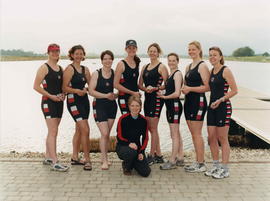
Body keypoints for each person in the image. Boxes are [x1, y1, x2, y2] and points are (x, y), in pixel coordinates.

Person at [33, 43, 69, 172]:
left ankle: (48, 156)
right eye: (52, 51)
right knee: (53, 131)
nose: (55, 53)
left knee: (53, 131)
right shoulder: (44, 67)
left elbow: (62, 86)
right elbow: (36, 86)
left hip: (59, 102)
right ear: (48, 53)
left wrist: (63, 94)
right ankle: (55, 162)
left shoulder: (60, 68)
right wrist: (51, 96)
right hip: (48, 102)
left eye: (57, 51)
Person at [205, 46, 238, 179]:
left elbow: (234, 90)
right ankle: (216, 166)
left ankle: (225, 169)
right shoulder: (211, 71)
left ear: (220, 57)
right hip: (211, 108)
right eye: (210, 55)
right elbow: (207, 87)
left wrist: (221, 100)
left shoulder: (226, 70)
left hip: (223, 108)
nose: (212, 57)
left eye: (215, 55)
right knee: (211, 137)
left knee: (222, 138)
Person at [62, 45, 92, 171]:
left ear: (83, 55)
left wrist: (86, 89)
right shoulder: (69, 69)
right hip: (73, 101)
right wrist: (76, 91)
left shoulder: (85, 69)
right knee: (85, 130)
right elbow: (64, 88)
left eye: (81, 53)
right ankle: (87, 160)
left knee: (79, 130)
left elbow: (91, 86)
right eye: (76, 54)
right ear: (72, 55)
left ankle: (75, 157)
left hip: (84, 101)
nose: (79, 56)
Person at [182, 41, 210, 173]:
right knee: (193, 134)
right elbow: (185, 86)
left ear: (199, 50)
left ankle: (201, 163)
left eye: (193, 49)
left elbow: (207, 87)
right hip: (188, 103)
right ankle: (197, 161)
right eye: (189, 50)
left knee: (197, 134)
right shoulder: (188, 66)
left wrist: (190, 88)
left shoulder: (202, 66)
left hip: (198, 103)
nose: (191, 51)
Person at [139, 43, 168, 165]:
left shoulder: (162, 67)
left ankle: (151, 155)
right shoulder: (145, 67)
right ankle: (159, 154)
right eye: (150, 51)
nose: (152, 53)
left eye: (154, 51)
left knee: (153, 128)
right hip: (147, 98)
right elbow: (140, 84)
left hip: (157, 99)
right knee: (150, 128)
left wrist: (155, 88)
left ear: (158, 53)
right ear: (148, 52)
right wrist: (146, 89)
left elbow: (168, 84)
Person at [89, 50, 118, 170]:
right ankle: (104, 161)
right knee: (105, 133)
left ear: (112, 60)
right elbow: (91, 91)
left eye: (110, 58)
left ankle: (103, 157)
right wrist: (105, 95)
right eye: (105, 59)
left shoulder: (115, 73)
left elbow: (119, 89)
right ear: (102, 61)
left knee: (106, 135)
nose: (107, 61)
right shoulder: (96, 73)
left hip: (112, 106)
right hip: (99, 105)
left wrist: (115, 95)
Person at [158, 53, 184, 170]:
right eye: (170, 60)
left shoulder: (177, 74)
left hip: (174, 105)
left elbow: (177, 93)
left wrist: (164, 97)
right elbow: (169, 89)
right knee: (176, 133)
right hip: (170, 106)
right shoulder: (171, 74)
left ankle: (172, 161)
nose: (171, 62)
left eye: (174, 60)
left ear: (177, 61)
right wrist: (160, 92)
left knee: (174, 135)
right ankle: (180, 157)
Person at [116, 96, 151, 177]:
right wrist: (129, 143)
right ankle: (126, 167)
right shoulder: (123, 119)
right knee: (131, 152)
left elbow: (145, 138)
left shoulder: (143, 120)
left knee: (145, 172)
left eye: (137, 105)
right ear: (129, 106)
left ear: (140, 107)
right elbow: (119, 136)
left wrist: (141, 152)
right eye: (132, 106)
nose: (135, 108)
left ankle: (133, 162)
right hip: (123, 146)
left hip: (137, 149)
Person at [114, 39, 141, 114]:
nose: (131, 50)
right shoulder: (121, 64)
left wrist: (139, 92)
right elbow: (115, 84)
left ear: (136, 49)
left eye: (134, 48)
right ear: (126, 49)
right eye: (129, 48)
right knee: (126, 120)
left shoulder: (137, 62)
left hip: (135, 98)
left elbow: (133, 82)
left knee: (135, 121)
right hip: (124, 97)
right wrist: (132, 92)